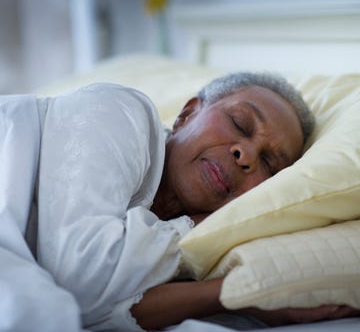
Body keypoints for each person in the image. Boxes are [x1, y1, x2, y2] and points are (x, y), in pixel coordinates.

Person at [0, 71, 356, 332]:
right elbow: (83, 281)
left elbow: (103, 311)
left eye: (268, 164)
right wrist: (201, 225)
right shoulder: (119, 112)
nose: (245, 153)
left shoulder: (194, 245)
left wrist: (237, 295)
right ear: (187, 113)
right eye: (239, 123)